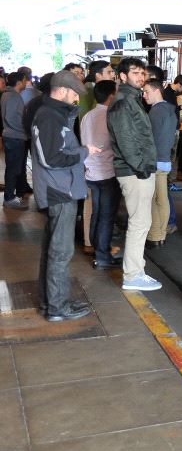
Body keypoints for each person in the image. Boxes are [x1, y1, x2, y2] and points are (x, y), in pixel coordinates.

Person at [31, 70, 101, 321]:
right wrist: (84, 152)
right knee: (60, 253)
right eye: (73, 94)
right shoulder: (50, 116)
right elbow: (52, 158)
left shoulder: (53, 113)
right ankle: (57, 308)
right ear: (61, 90)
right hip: (59, 191)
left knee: (53, 250)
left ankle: (49, 303)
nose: (75, 100)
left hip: (60, 188)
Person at [107, 57, 161, 291]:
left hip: (137, 169)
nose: (141, 77)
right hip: (134, 171)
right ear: (122, 76)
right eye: (135, 73)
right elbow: (126, 140)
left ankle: (136, 270)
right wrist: (142, 167)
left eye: (143, 73)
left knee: (142, 222)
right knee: (139, 223)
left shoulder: (131, 99)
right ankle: (132, 275)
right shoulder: (123, 103)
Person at [81, 80, 122, 270]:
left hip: (90, 173)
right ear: (111, 96)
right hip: (107, 172)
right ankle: (102, 256)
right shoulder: (110, 116)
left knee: (97, 213)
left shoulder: (87, 116)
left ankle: (98, 250)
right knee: (106, 216)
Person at [144, 79, 178, 250]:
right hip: (165, 160)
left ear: (157, 90)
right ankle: (162, 234)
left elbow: (149, 139)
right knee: (162, 199)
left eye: (147, 91)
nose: (144, 95)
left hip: (155, 160)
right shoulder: (170, 110)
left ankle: (154, 236)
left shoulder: (155, 112)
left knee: (153, 200)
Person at [1, 71, 29, 209]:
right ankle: (9, 198)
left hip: (12, 136)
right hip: (15, 137)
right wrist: (24, 130)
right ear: (19, 82)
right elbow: (11, 118)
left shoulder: (9, 94)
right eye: (25, 80)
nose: (26, 82)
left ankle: (11, 196)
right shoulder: (12, 96)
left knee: (13, 168)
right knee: (13, 168)